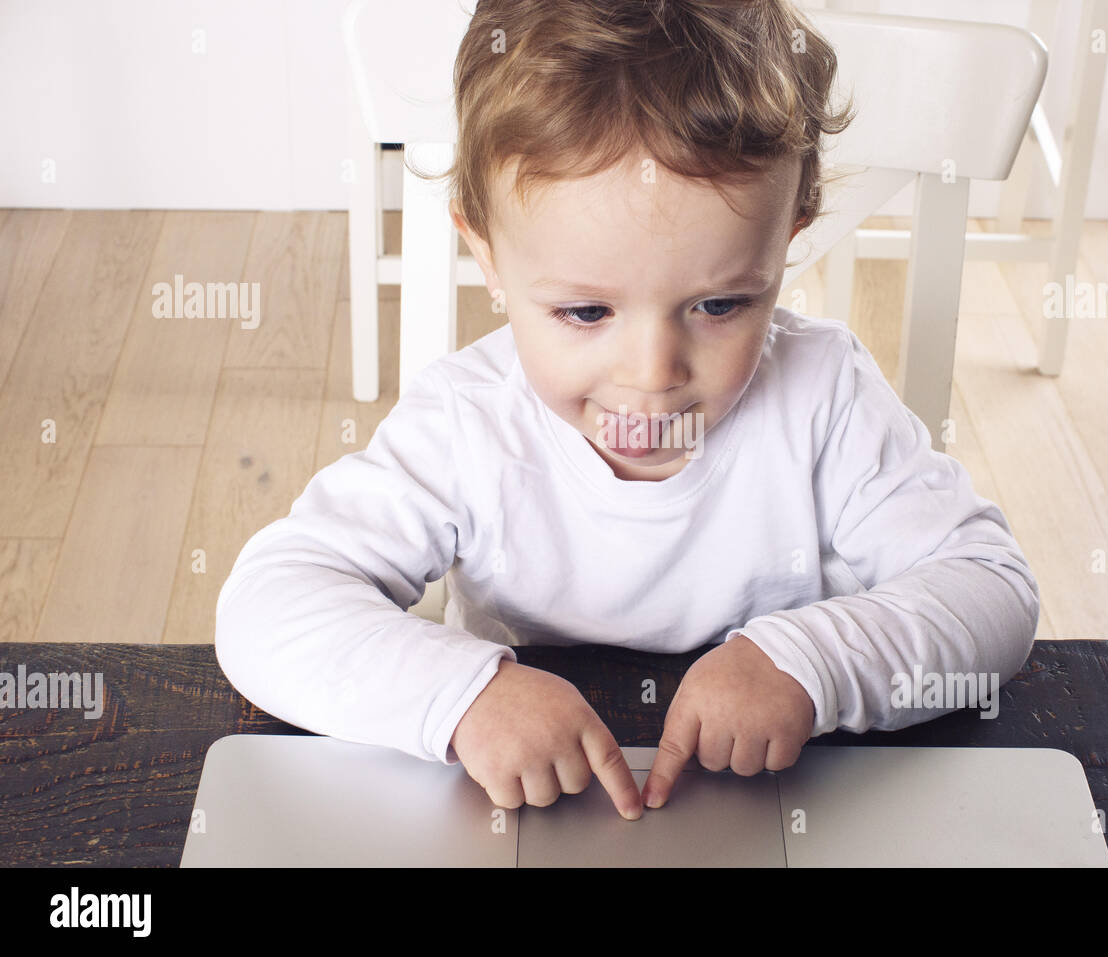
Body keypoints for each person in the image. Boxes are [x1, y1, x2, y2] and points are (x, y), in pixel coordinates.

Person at [215, 0, 1039, 823]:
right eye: (585, 313)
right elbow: (266, 602)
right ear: (489, 257)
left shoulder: (824, 396)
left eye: (719, 304)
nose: (653, 376)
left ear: (788, 238)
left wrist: (808, 663)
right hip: (527, 797)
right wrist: (462, 697)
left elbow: (991, 589)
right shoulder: (467, 424)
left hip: (779, 795)